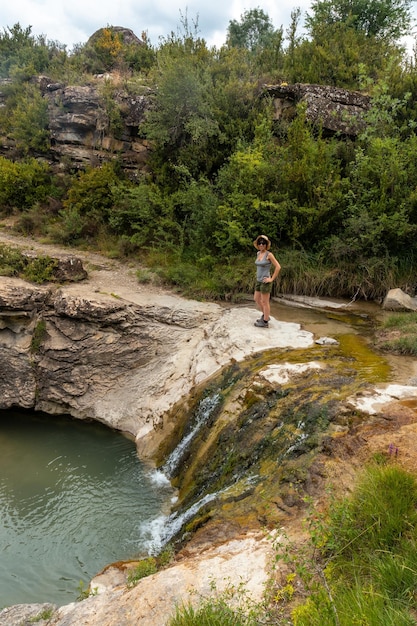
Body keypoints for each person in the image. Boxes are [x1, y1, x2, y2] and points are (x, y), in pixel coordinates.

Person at [253, 234, 281, 328]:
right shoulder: (258, 253)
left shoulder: (269, 255)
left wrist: (271, 279)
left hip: (265, 281)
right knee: (256, 299)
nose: (261, 245)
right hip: (258, 280)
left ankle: (265, 322)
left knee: (265, 301)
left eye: (263, 243)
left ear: (266, 244)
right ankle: (265, 316)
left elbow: (278, 267)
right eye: (260, 243)